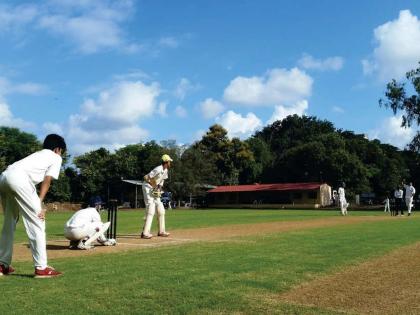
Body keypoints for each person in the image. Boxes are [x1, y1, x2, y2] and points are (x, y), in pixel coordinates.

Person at [0, 134, 66, 278]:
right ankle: (41, 268)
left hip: (4, 177)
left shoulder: (37, 155)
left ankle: (2, 265)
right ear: (58, 149)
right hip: (18, 179)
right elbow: (47, 180)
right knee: (37, 221)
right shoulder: (56, 157)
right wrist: (40, 203)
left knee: (9, 223)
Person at [140, 154, 173, 239]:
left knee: (161, 210)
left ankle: (161, 231)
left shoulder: (165, 170)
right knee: (151, 209)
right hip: (147, 187)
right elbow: (146, 177)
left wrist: (158, 189)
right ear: (166, 162)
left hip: (154, 189)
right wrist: (154, 186)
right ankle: (145, 233)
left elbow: (161, 182)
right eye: (169, 161)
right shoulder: (158, 169)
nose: (170, 163)